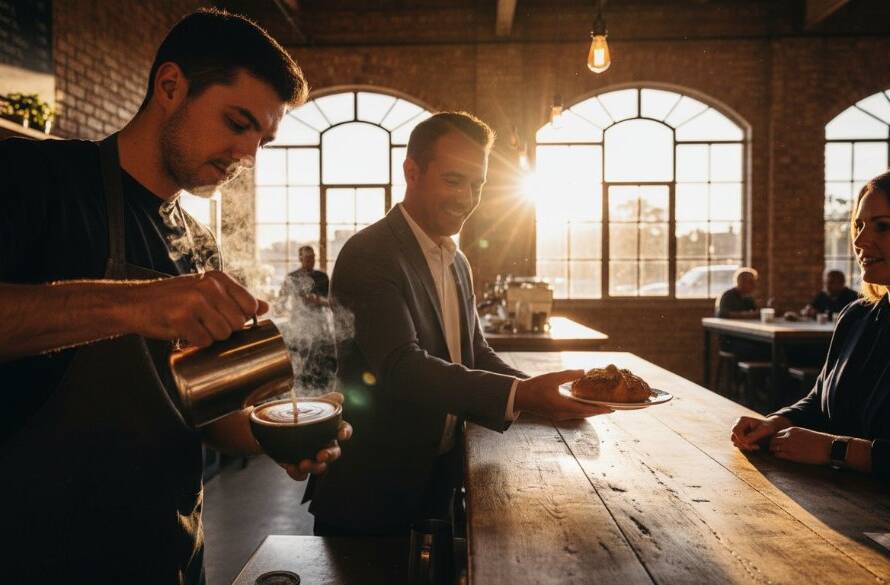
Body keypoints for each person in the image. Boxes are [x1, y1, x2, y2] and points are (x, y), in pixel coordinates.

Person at [0, 10, 351, 583]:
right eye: (237, 123)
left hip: (171, 556)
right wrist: (133, 303)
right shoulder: (38, 180)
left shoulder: (198, 242)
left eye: (261, 139)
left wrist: (281, 437)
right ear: (170, 86)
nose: (246, 154)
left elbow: (209, 414)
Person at [306, 112, 610, 537]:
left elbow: (475, 352)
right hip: (373, 491)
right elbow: (401, 368)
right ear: (412, 171)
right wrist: (522, 394)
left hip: (440, 478)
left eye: (478, 184)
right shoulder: (369, 253)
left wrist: (545, 395)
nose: (467, 198)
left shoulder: (457, 260)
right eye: (454, 180)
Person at [731, 171, 890, 480]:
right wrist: (774, 423)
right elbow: (820, 400)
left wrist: (836, 449)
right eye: (858, 226)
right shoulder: (857, 316)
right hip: (836, 502)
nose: (859, 241)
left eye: (882, 226)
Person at [278, 246, 336, 391]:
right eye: (308, 258)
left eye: (313, 257)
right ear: (300, 259)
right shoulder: (292, 277)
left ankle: (322, 388)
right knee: (301, 358)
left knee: (321, 358)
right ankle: (301, 387)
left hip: (320, 325)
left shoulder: (322, 277)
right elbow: (281, 301)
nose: (311, 261)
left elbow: (331, 302)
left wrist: (317, 300)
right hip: (298, 323)